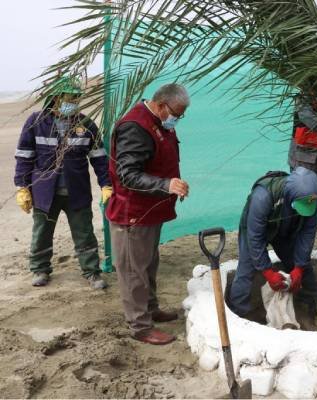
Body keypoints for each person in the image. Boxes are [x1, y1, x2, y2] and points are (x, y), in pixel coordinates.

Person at [106, 83, 190, 345]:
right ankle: (140, 325)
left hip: (151, 210)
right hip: (134, 212)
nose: (178, 118)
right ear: (161, 104)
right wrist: (165, 185)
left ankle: (150, 308)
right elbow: (128, 175)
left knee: (148, 263)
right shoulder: (135, 126)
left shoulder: (160, 122)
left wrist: (172, 183)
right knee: (133, 269)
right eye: (177, 112)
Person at [14, 76, 111, 289]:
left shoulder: (86, 124)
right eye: (69, 99)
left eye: (76, 99)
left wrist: (106, 184)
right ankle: (40, 269)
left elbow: (99, 158)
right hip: (44, 192)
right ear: (55, 99)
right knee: (41, 233)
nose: (73, 103)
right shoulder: (36, 122)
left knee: (84, 233)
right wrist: (22, 187)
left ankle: (92, 272)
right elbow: (24, 156)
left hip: (77, 192)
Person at [227, 167, 317, 319]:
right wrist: (268, 272)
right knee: (246, 269)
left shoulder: (313, 199)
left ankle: (310, 303)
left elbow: (308, 232)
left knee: (301, 266)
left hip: (286, 227)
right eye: (299, 206)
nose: (304, 209)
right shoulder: (262, 197)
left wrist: (299, 267)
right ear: (290, 196)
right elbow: (255, 238)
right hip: (255, 228)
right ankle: (240, 313)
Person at [288, 93, 317, 237]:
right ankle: (300, 254)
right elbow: (312, 121)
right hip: (305, 165)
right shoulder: (303, 98)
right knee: (307, 205)